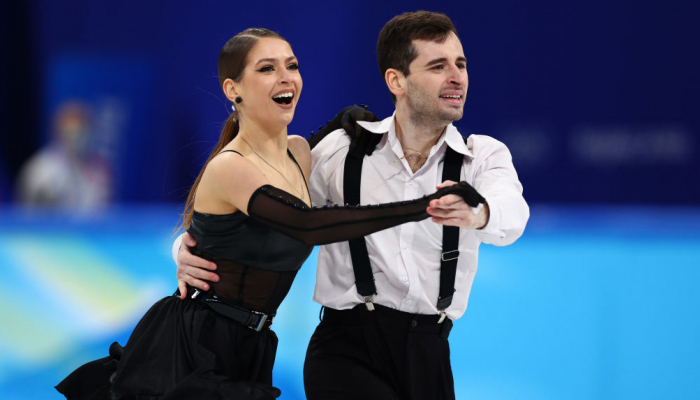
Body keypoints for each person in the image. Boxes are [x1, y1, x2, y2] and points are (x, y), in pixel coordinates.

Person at [56, 27, 484, 400]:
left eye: (291, 65)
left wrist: (341, 120)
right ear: (233, 89)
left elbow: (281, 186)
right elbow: (307, 226)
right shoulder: (230, 166)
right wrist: (424, 206)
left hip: (253, 343)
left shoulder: (300, 154)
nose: (286, 77)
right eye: (267, 68)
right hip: (196, 342)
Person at [176, 11, 530, 400]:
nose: (456, 76)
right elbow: (268, 212)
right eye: (438, 66)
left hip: (430, 352)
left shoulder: (481, 156)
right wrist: (187, 248)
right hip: (345, 351)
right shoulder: (344, 151)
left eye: (460, 64)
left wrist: (478, 213)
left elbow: (512, 214)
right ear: (396, 81)